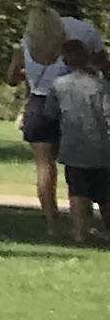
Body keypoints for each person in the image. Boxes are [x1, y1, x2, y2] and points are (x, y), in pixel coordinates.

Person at [20, 0, 106, 240]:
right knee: (77, 163)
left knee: (44, 166)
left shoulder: (32, 34)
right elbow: (102, 61)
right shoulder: (85, 30)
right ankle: (81, 223)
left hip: (38, 100)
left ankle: (51, 222)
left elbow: (16, 70)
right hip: (74, 100)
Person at [57, 38, 110, 250]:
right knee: (104, 192)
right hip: (100, 146)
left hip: (72, 144)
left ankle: (80, 231)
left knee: (77, 190)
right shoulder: (101, 85)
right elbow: (107, 114)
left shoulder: (59, 85)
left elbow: (51, 112)